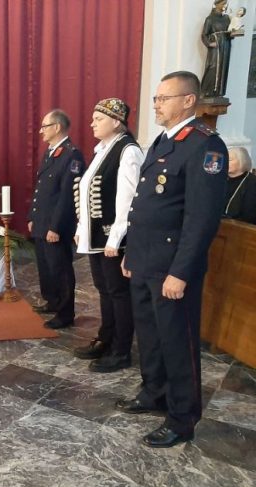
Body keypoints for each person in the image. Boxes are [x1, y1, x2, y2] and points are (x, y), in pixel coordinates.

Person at [117, 71, 228, 448]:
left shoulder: (205, 145)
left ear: (188, 101)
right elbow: (145, 206)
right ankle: (154, 392)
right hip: (145, 260)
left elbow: (201, 219)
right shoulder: (163, 141)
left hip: (172, 267)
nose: (156, 104)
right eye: (155, 98)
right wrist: (131, 253)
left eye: (164, 98)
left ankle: (182, 418)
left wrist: (180, 272)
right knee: (150, 336)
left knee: (178, 342)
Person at [72, 98, 143, 372]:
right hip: (97, 238)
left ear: (116, 121)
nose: (92, 124)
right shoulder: (103, 149)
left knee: (119, 293)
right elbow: (87, 195)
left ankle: (121, 351)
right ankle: (106, 338)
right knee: (104, 290)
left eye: (98, 119)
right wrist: (81, 229)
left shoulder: (128, 151)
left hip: (113, 240)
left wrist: (116, 238)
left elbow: (128, 199)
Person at [27, 109, 85, 329]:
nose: (41, 131)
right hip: (42, 221)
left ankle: (65, 313)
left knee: (60, 269)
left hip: (55, 225)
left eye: (45, 126)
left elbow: (68, 195)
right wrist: (33, 216)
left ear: (57, 127)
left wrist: (56, 227)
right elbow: (42, 190)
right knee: (45, 266)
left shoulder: (72, 155)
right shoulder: (51, 152)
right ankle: (52, 300)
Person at [200, 0, 233, 98]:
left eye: (226, 4)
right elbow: (204, 34)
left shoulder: (227, 18)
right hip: (216, 46)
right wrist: (209, 43)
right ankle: (207, 91)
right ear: (217, 4)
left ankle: (219, 91)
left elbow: (230, 31)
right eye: (223, 3)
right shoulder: (210, 19)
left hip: (225, 45)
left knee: (223, 67)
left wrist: (233, 33)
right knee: (213, 66)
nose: (225, 6)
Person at [224, 146, 256, 224]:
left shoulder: (253, 182)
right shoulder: (219, 180)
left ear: (242, 161)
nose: (225, 162)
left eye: (230, 160)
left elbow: (250, 215)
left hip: (243, 227)